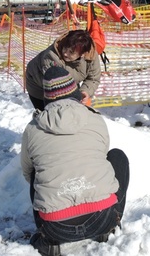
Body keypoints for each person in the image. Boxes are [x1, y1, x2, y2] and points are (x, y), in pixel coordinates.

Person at [21, 66, 129, 256]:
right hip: (102, 218)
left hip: (56, 226)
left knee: (35, 170)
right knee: (117, 156)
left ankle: (48, 241)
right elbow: (101, 156)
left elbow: (27, 173)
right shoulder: (95, 119)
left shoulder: (32, 129)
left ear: (48, 98)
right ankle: (111, 224)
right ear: (76, 93)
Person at [25, 29, 101, 111]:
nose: (65, 53)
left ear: (82, 54)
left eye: (71, 52)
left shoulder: (91, 55)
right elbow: (57, 89)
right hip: (40, 86)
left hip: (69, 81)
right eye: (65, 48)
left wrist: (85, 91)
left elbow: (93, 78)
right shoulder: (51, 57)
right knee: (49, 116)